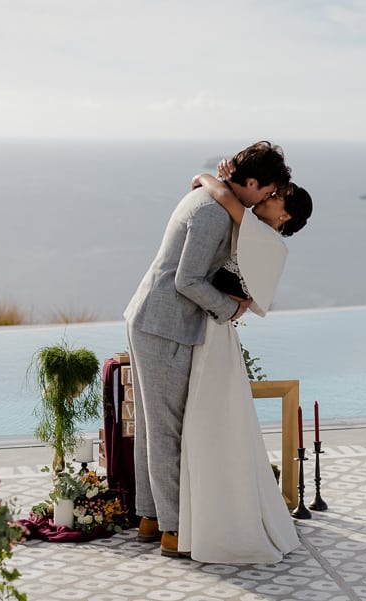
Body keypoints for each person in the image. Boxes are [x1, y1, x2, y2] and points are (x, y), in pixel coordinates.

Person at [124, 141, 290, 557]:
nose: (266, 200)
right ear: (250, 183)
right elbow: (188, 281)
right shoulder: (215, 212)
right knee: (167, 430)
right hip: (166, 326)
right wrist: (229, 309)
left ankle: (149, 517)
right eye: (267, 192)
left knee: (152, 424)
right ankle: (174, 530)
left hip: (152, 319)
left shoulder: (209, 197)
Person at [177, 171, 312, 563]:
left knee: (207, 421)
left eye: (277, 197)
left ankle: (218, 524)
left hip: (215, 332)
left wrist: (204, 175)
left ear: (284, 216)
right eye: (272, 191)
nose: (268, 197)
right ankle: (203, 517)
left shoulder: (263, 235)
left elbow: (222, 195)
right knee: (210, 421)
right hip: (216, 328)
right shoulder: (261, 237)